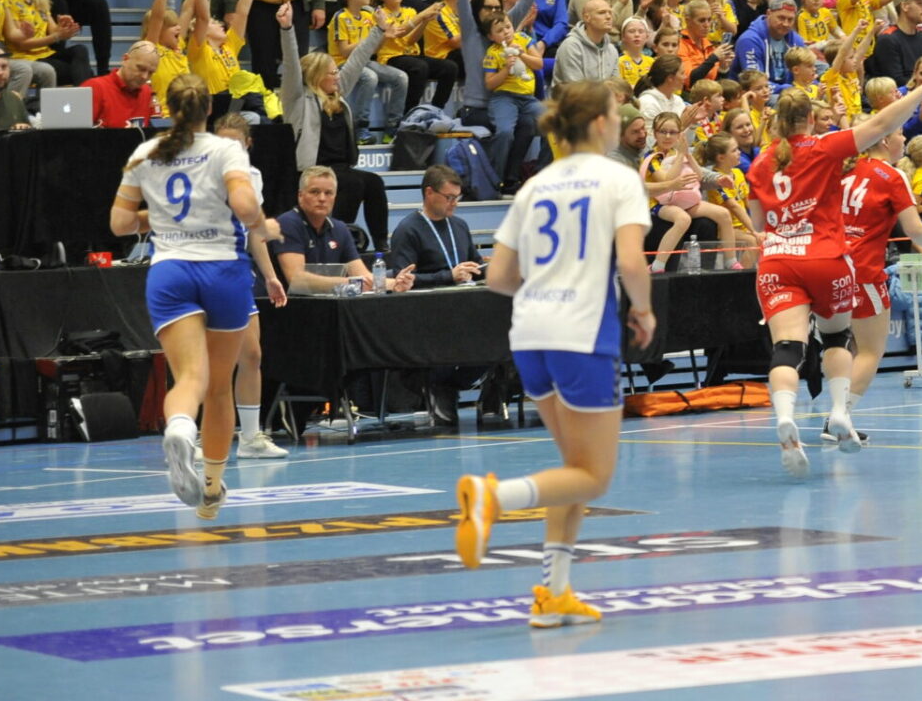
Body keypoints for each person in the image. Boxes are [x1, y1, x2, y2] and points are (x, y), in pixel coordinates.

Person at [452, 80, 652, 627]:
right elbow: (631, 263)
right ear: (599, 124)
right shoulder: (618, 177)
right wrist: (643, 310)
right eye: (616, 114)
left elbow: (498, 276)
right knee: (595, 477)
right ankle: (493, 497)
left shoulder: (536, 185)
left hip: (530, 332)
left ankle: (553, 591)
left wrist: (548, 290)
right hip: (582, 333)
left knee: (574, 468)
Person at [749, 66, 922, 476]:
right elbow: (880, 123)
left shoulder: (761, 163)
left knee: (787, 347)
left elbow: (757, 223)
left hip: (777, 259)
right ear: (810, 118)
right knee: (841, 339)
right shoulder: (828, 151)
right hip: (832, 260)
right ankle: (840, 412)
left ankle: (785, 417)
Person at [109, 75, 277, 515]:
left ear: (168, 108)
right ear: (209, 110)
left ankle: (181, 427)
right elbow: (245, 206)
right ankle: (211, 488)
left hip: (171, 272)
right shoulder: (226, 150)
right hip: (222, 270)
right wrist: (264, 225)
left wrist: (161, 217)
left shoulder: (145, 152)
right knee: (219, 388)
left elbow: (120, 224)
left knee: (188, 379)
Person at [277, 0, 392, 250]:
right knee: (351, 183)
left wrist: (379, 30)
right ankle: (337, 238)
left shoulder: (337, 95)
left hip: (341, 168)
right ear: (317, 76)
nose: (337, 76)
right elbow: (292, 64)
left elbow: (357, 60)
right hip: (311, 169)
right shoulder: (298, 99)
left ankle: (382, 244)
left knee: (373, 182)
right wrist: (287, 28)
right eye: (332, 72)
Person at [209, 113, 290, 460]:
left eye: (235, 144)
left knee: (252, 355)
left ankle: (251, 438)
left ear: (248, 145)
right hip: (207, 270)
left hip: (238, 272)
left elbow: (255, 231)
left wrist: (270, 275)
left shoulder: (252, 177)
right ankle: (203, 437)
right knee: (215, 358)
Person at [270, 164, 415, 295]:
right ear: (300, 196)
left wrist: (395, 283)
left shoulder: (339, 229)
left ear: (335, 197)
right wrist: (348, 282)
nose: (322, 198)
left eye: (328, 193)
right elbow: (297, 281)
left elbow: (363, 276)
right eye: (315, 192)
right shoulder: (287, 224)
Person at [85, 40, 161, 127]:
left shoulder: (148, 92)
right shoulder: (94, 88)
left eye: (151, 72)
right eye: (141, 68)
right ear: (125, 59)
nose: (145, 76)